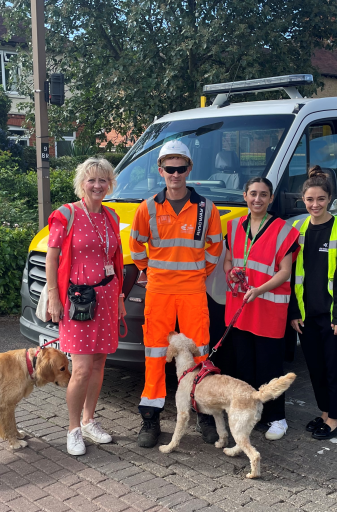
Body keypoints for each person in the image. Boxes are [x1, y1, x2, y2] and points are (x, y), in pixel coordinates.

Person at [129, 140, 223, 448]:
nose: (175, 173)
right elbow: (135, 247)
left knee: (199, 353)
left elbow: (214, 248)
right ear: (161, 171)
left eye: (181, 167)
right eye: (169, 168)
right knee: (155, 354)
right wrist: (154, 272)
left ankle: (204, 414)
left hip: (193, 290)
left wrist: (198, 274)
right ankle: (151, 418)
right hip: (159, 291)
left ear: (189, 169)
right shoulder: (147, 208)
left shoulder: (207, 208)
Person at [45, 157, 126, 456]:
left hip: (106, 298)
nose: (97, 185)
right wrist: (54, 294)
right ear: (82, 183)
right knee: (80, 369)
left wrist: (118, 300)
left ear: (110, 184)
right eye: (91, 180)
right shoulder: (65, 215)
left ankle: (89, 420)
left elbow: (115, 262)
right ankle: (73, 429)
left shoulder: (112, 217)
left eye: (103, 180)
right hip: (79, 300)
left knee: (99, 364)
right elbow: (52, 258)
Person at [221, 177, 300, 440]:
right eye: (253, 193)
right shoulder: (233, 226)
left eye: (263, 195)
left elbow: (285, 272)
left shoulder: (283, 231)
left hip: (267, 310)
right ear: (244, 196)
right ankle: (252, 413)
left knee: (269, 367)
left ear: (271, 199)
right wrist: (229, 271)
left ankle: (277, 419)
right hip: (240, 309)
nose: (257, 199)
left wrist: (259, 289)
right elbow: (229, 259)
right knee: (244, 367)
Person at [288, 166, 337, 440]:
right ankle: (323, 413)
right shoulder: (298, 229)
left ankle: (334, 419)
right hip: (307, 317)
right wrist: (293, 313)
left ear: (329, 198)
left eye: (320, 199)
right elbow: (291, 276)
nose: (314, 204)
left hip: (332, 318)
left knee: (333, 370)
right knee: (316, 369)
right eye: (309, 200)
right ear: (302, 200)